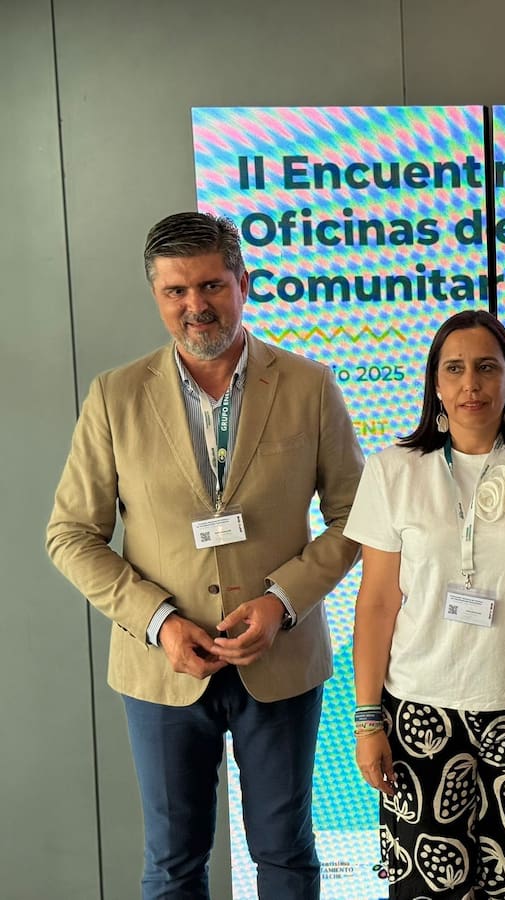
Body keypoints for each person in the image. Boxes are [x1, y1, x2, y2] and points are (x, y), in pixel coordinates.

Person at [46, 211, 364, 899]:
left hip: (279, 658)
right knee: (173, 862)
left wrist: (282, 603)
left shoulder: (309, 385)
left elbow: (356, 519)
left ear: (243, 282)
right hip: (161, 665)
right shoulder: (114, 397)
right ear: (157, 296)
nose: (196, 305)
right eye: (176, 291)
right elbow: (70, 534)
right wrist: (159, 621)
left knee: (285, 851)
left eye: (212, 285)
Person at [345, 309, 505, 899]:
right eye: (454, 369)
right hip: (419, 716)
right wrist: (367, 720)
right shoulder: (393, 471)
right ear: (434, 383)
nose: (471, 384)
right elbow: (377, 602)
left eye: (487, 368)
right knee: (424, 890)